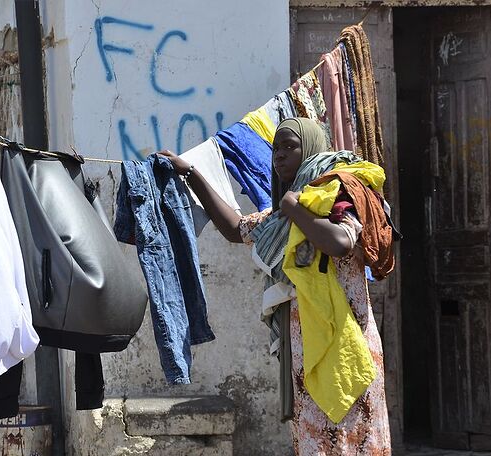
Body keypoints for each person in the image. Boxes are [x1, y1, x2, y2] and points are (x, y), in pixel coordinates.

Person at [158, 117, 391, 455]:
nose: (279, 155)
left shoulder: (339, 195)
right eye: (276, 148)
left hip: (347, 346)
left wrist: (295, 208)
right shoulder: (280, 221)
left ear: (309, 149)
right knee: (316, 444)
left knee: (354, 442)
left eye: (289, 146)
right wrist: (191, 173)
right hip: (306, 350)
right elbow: (235, 228)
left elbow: (340, 241)